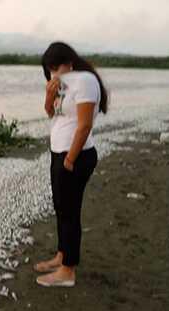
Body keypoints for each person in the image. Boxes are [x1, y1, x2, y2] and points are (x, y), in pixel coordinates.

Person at [34, 42, 109, 287]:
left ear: (70, 62)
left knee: (70, 211)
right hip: (60, 152)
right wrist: (49, 93)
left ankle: (68, 271)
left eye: (58, 67)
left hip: (75, 156)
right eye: (50, 69)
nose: (55, 73)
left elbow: (85, 125)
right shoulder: (63, 84)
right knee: (60, 207)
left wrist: (69, 160)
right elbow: (51, 114)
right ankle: (61, 256)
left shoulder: (85, 81)